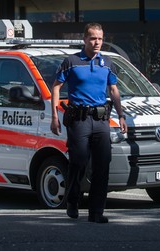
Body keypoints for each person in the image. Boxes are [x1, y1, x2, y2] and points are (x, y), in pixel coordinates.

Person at [50, 23, 127, 224]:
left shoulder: (107, 63)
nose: (97, 42)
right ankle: (73, 200)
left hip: (101, 120)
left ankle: (96, 212)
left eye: (100, 39)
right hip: (79, 120)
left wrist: (121, 115)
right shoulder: (72, 61)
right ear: (84, 39)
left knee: (102, 165)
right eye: (93, 38)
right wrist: (54, 116)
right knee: (79, 162)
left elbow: (114, 91)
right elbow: (56, 87)